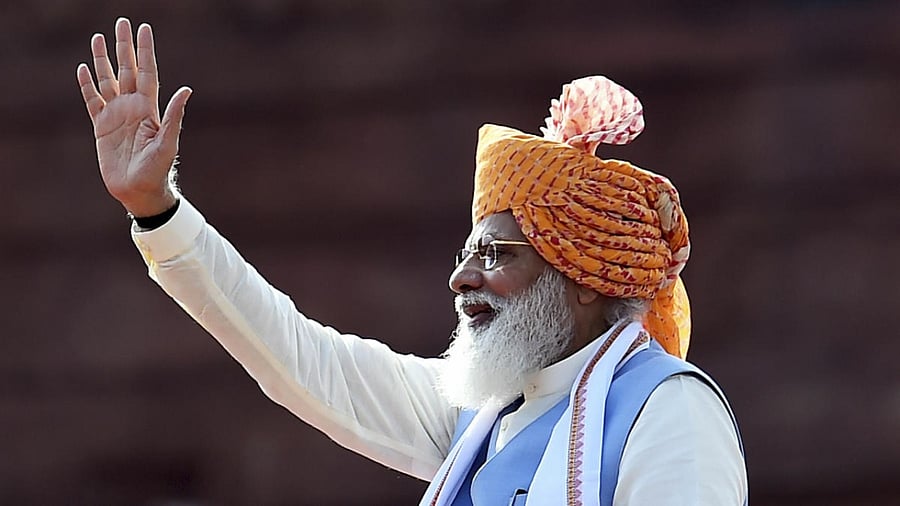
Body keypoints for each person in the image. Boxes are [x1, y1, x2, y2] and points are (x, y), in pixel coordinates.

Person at [77, 18, 748, 506]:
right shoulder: (482, 416)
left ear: (582, 280)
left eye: (494, 255)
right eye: (465, 255)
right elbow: (299, 359)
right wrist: (158, 210)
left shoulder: (667, 413)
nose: (462, 278)